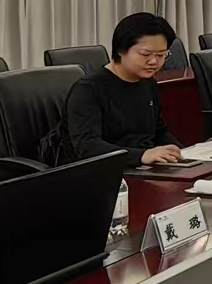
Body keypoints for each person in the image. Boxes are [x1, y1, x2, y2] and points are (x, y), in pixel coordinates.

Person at [44, 13, 183, 168]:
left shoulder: (148, 83)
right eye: (145, 54)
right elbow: (87, 147)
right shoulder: (88, 89)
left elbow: (159, 131)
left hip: (141, 167)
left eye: (161, 55)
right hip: (101, 171)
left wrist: (183, 153)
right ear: (120, 50)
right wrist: (142, 155)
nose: (154, 61)